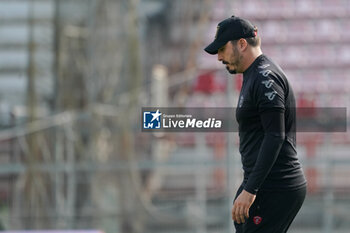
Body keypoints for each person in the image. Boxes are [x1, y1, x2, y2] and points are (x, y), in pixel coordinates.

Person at [204, 16, 307, 233]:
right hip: (265, 186)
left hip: (275, 186)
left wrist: (250, 189)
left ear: (242, 44)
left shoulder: (264, 77)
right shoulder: (253, 75)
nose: (219, 57)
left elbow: (275, 135)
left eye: (222, 49)